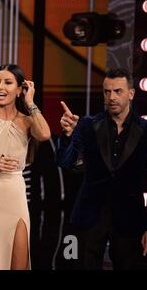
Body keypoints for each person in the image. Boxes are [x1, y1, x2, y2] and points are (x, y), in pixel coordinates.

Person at [57, 68, 147, 269]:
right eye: (107, 92)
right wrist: (68, 136)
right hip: (90, 215)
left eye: (118, 91)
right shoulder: (88, 125)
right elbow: (66, 163)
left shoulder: (144, 129)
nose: (112, 97)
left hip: (130, 217)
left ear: (131, 93)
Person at [0, 64, 51, 270]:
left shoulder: (27, 121)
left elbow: (45, 134)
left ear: (20, 89)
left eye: (7, 82)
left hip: (15, 201)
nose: (0, 87)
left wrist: (30, 102)